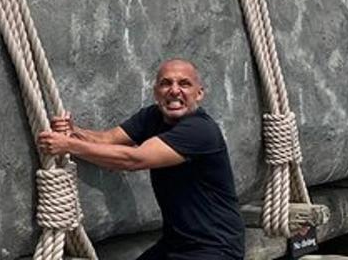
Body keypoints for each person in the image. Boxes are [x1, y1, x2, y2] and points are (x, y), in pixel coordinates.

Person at [37, 58, 244, 260]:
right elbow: (108, 139)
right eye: (165, 83)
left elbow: (134, 160)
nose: (174, 90)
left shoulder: (200, 130)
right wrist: (74, 132)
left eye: (184, 84)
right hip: (176, 243)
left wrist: (69, 145)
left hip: (215, 248)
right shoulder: (152, 116)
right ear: (155, 92)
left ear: (199, 94)